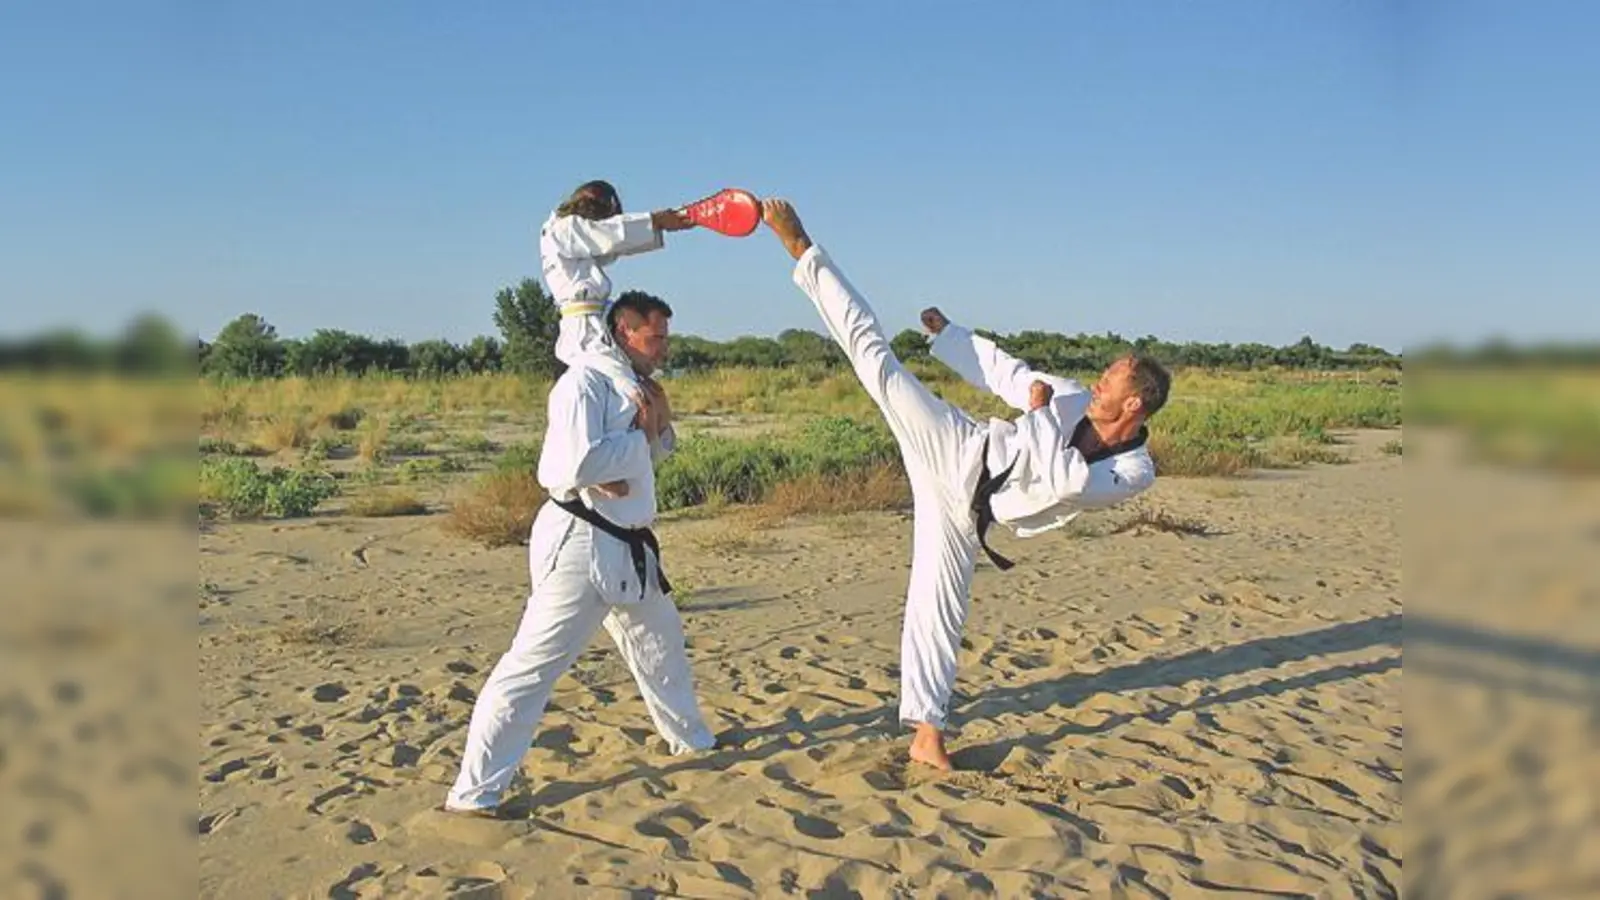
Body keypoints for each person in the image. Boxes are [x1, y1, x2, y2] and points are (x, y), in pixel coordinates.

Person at [759, 198, 1170, 770]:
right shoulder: (1069, 396)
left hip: (967, 511)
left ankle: (926, 736)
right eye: (1100, 377)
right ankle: (802, 248)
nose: (1096, 386)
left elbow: (1070, 485)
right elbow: (1010, 374)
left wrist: (1041, 415)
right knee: (876, 359)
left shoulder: (1133, 470)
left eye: (1109, 382)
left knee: (938, 606)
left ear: (1134, 403)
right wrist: (950, 337)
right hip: (957, 446)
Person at [443, 291, 715, 817]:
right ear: (623, 333)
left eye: (665, 336)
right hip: (581, 541)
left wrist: (655, 426)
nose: (663, 347)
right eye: (654, 337)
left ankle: (692, 742)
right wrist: (634, 442)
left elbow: (652, 455)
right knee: (532, 667)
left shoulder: (636, 386)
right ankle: (474, 795)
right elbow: (567, 468)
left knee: (663, 648)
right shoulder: (581, 383)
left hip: (630, 544)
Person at [539, 180, 695, 379]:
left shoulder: (570, 235)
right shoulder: (564, 229)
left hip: (593, 319)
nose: (605, 224)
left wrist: (661, 225)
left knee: (627, 376)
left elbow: (612, 246)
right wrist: (657, 221)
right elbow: (611, 236)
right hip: (582, 326)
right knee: (623, 381)